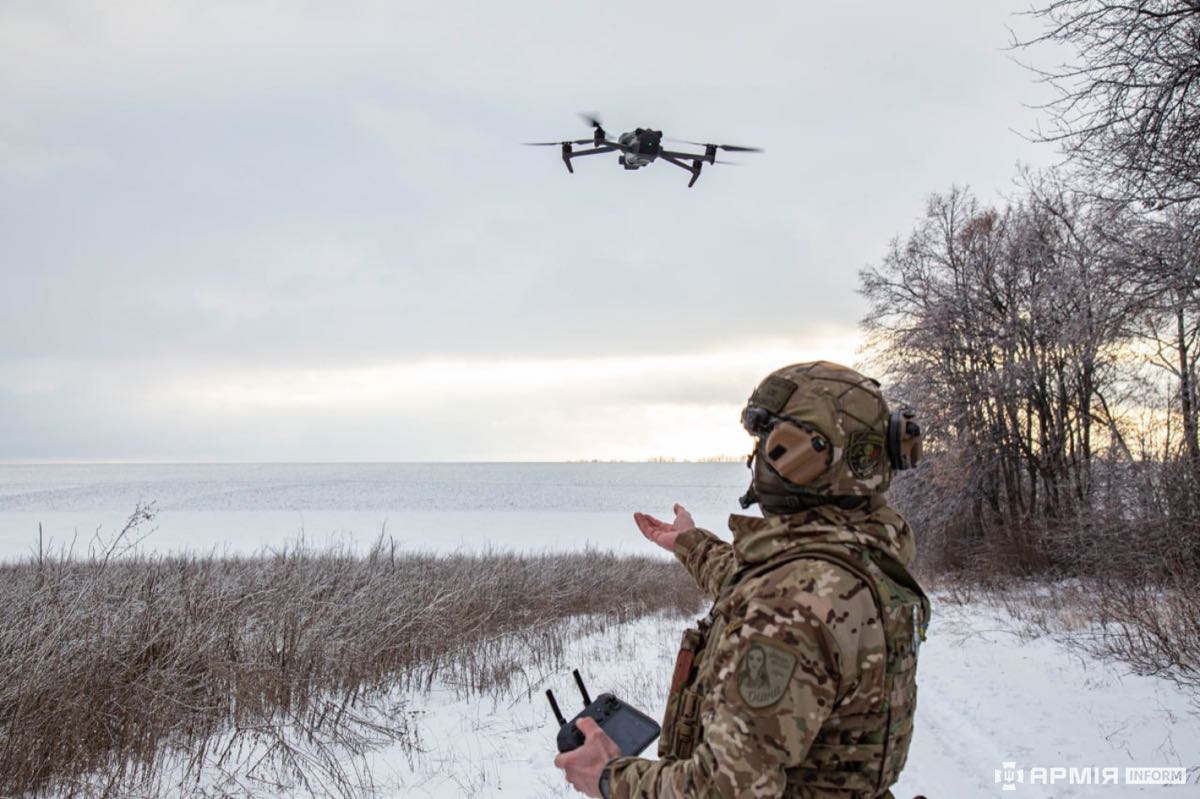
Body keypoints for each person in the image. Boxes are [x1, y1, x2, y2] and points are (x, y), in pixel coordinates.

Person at [553, 361, 929, 798]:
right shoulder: (859, 558)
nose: (759, 458)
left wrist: (609, 776)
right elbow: (753, 580)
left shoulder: (789, 607)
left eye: (769, 443)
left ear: (803, 453)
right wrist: (689, 543)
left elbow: (725, 790)